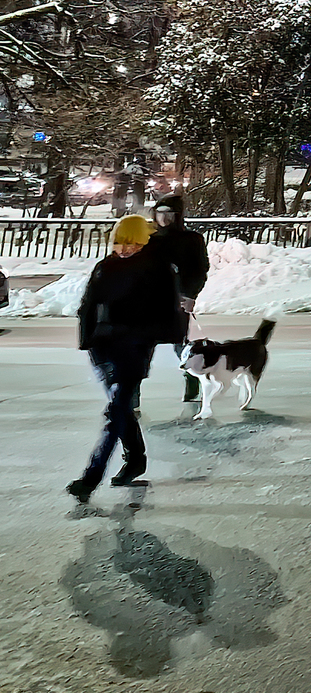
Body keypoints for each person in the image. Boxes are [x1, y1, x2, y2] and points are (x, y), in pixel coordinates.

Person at [68, 214, 183, 500]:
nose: (124, 249)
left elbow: (169, 312)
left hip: (133, 349)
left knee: (116, 412)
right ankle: (135, 458)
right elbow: (88, 305)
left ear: (143, 241)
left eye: (131, 243)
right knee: (120, 411)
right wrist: (88, 340)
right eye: (119, 242)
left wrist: (146, 337)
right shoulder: (105, 267)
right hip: (103, 348)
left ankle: (90, 478)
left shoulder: (158, 269)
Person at [144, 193, 209, 404]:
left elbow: (199, 270)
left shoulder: (191, 240)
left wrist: (191, 295)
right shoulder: (150, 239)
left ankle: (192, 377)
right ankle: (131, 393)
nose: (162, 218)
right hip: (150, 300)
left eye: (168, 213)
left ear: (177, 215)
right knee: (143, 344)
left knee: (179, 342)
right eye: (159, 213)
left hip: (177, 300)